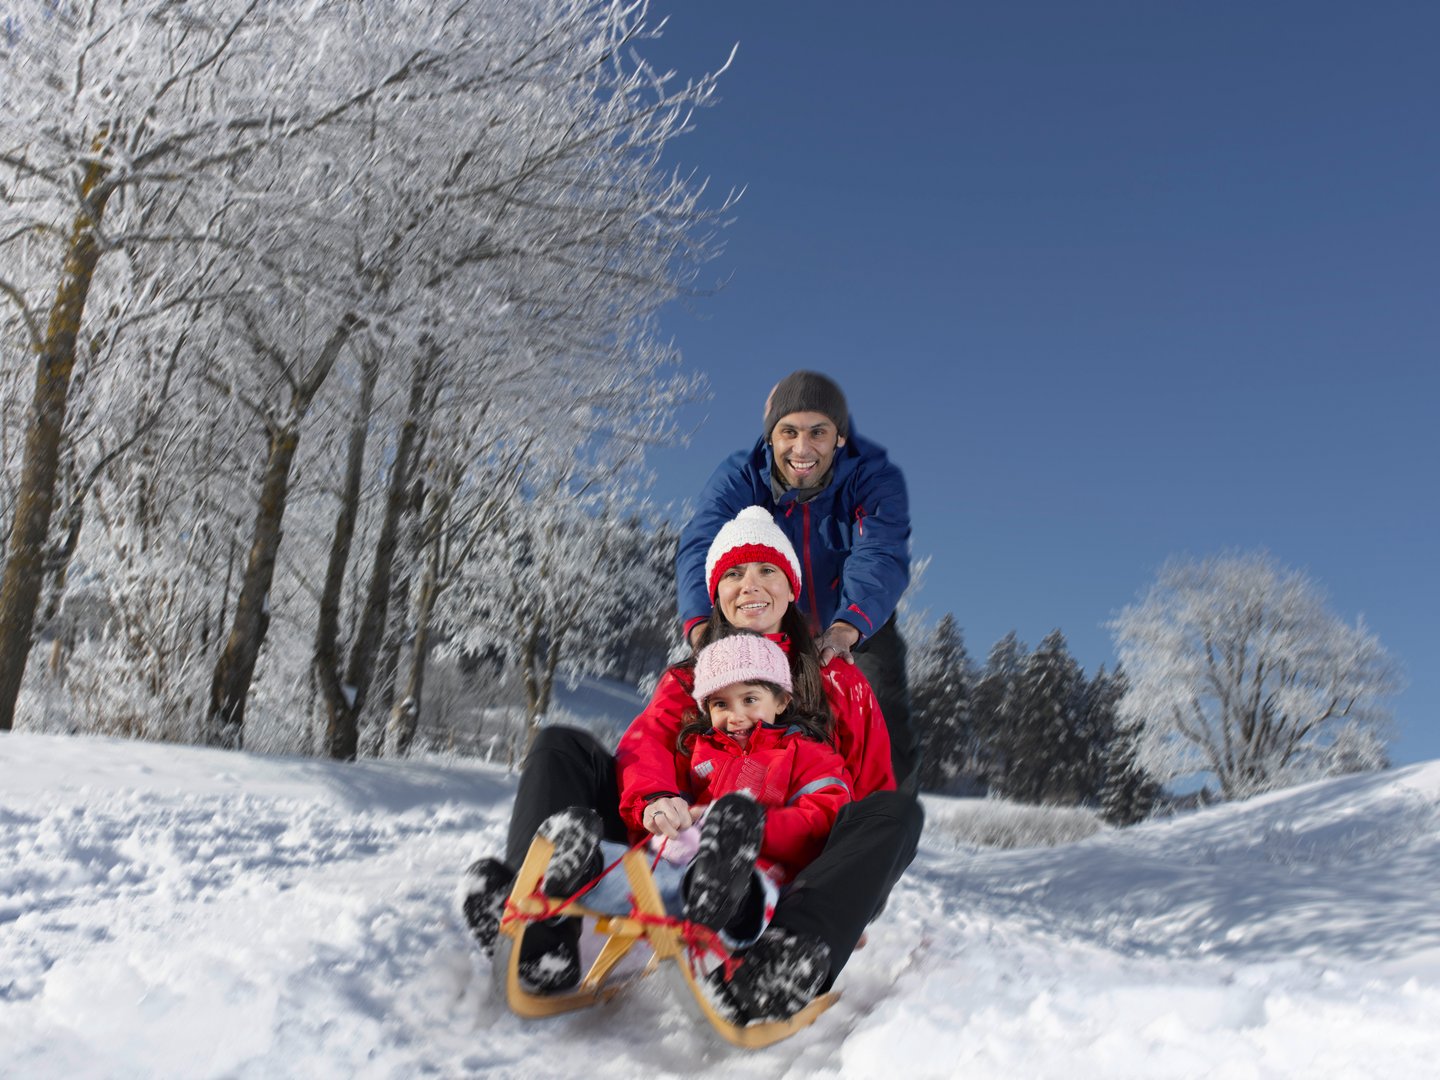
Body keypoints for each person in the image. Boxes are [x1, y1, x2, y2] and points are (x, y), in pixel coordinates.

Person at [462, 506, 922, 1023]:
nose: (750, 585)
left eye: (767, 570)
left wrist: (852, 896)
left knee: (896, 811)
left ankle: (783, 963)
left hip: (779, 871)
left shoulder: (838, 679)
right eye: (732, 573)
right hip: (673, 845)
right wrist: (656, 798)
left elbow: (865, 792)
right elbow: (646, 745)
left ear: (793, 587)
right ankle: (542, 933)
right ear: (716, 593)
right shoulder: (691, 677)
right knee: (560, 745)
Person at [675, 370, 919, 790]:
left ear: (839, 438)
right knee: (729, 699)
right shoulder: (742, 476)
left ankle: (879, 821)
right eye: (788, 432)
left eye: (817, 433)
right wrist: (701, 627)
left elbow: (879, 552)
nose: (801, 448)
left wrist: (847, 628)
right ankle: (717, 806)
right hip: (768, 614)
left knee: (875, 704)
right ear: (771, 436)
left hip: (857, 616)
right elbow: (703, 542)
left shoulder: (873, 477)